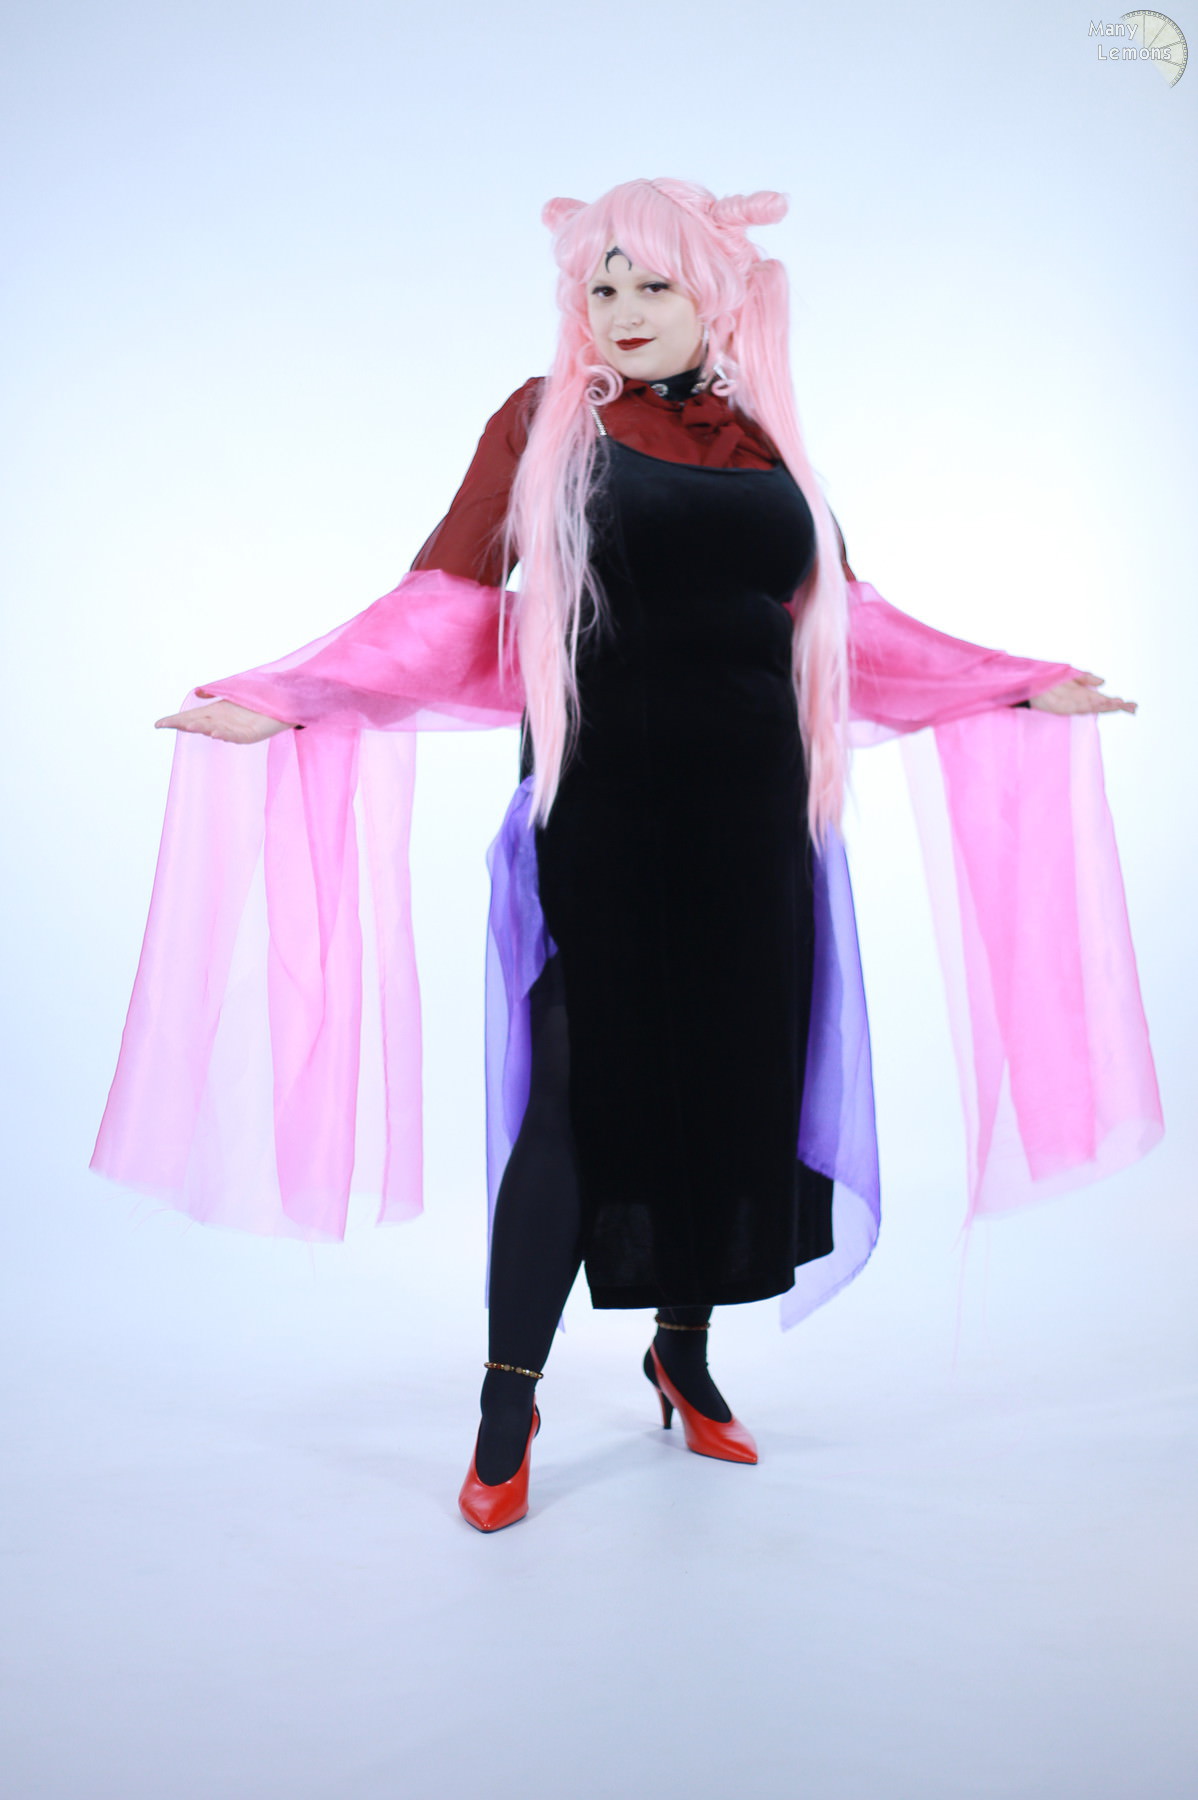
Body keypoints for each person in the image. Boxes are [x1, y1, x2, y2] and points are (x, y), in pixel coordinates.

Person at [117, 179, 1155, 1535]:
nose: (619, 311)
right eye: (599, 287)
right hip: (603, 811)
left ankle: (683, 1353)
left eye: (651, 285)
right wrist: (292, 692)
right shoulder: (544, 422)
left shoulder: (768, 445)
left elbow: (852, 628)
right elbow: (439, 606)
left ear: (715, 294)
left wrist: (1013, 682)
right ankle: (507, 1404)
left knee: (729, 1083)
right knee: (576, 1092)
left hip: (755, 822)